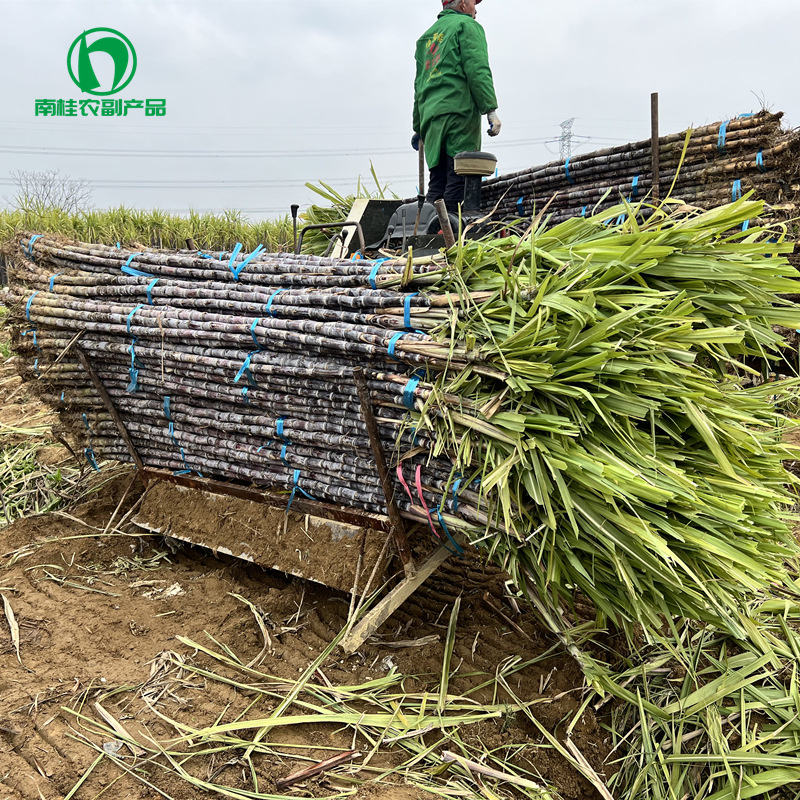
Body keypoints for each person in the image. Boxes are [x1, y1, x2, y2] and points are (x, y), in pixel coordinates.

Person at [412, 0, 501, 215]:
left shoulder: (426, 38)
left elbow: (419, 83)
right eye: (472, 3)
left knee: (438, 181)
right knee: (459, 177)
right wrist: (491, 110)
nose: (475, 9)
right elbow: (477, 70)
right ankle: (449, 237)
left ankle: (426, 233)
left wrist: (418, 127)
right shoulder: (467, 26)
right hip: (457, 114)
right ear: (462, 4)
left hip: (430, 119)